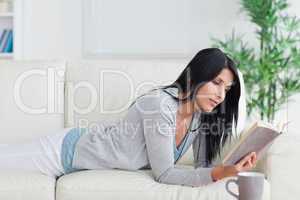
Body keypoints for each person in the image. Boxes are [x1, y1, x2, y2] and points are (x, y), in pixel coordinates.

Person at [0, 48, 257, 187]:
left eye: (227, 89)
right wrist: (221, 173)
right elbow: (165, 174)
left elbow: (201, 170)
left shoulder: (201, 118)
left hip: (75, 154)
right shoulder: (161, 106)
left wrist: (232, 166)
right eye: (216, 83)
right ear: (198, 76)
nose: (222, 94)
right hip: (64, 151)